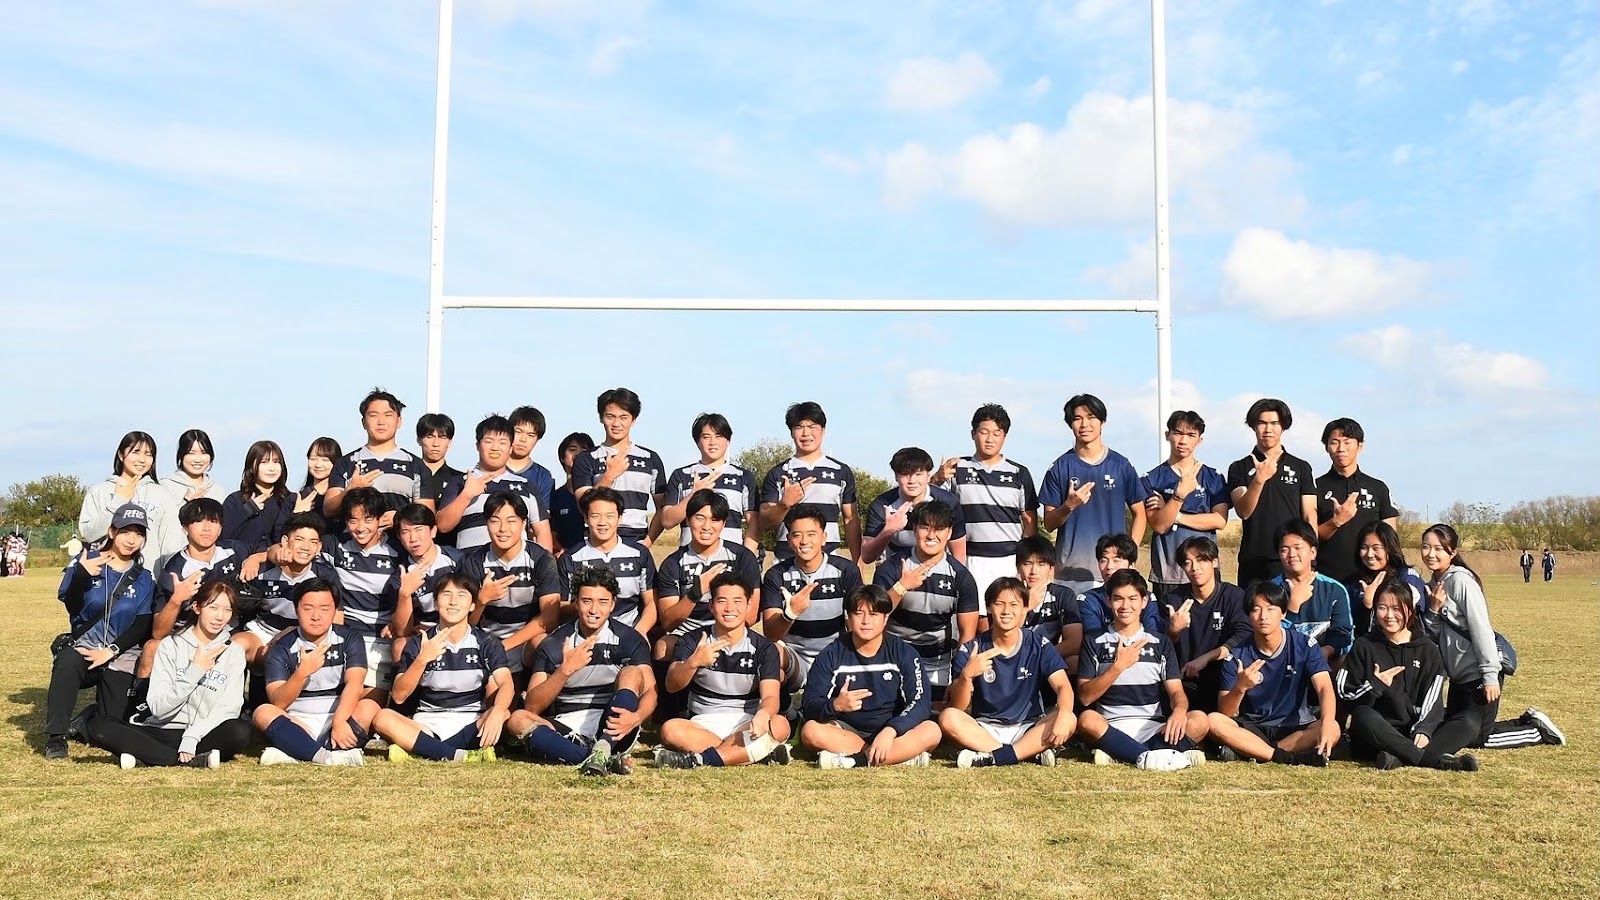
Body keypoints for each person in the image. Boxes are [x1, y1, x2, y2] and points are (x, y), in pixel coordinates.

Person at [1418, 524, 1564, 754]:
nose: (1431, 554)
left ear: (1452, 552)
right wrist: (1433, 611)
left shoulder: (1461, 582)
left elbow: (1481, 629)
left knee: (1477, 737)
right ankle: (1528, 720)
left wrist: (1489, 676)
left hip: (1478, 673)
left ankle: (1537, 731)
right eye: (1426, 547)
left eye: (1439, 548)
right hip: (1459, 678)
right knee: (1456, 728)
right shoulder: (1432, 586)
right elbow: (1433, 635)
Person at [82, 581, 252, 768]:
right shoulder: (171, 646)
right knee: (99, 726)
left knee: (241, 731)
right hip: (163, 730)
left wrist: (192, 735)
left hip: (204, 732)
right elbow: (158, 708)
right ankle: (182, 759)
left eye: (227, 610)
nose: (220, 617)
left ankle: (150, 756)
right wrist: (195, 671)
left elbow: (229, 708)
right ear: (197, 608)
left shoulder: (234, 652)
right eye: (213, 607)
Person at [512, 565, 656, 776]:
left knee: (632, 672)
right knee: (517, 720)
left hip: (613, 726)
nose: (594, 610)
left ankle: (604, 747)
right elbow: (532, 706)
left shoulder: (629, 639)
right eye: (587, 601)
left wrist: (637, 717)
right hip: (566, 727)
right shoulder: (555, 643)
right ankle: (595, 757)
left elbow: (651, 691)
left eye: (602, 602)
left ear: (613, 604)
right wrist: (565, 670)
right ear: (576, 602)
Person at [44, 504, 157, 759]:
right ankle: (56, 736)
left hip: (120, 654)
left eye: (139, 534)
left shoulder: (144, 577)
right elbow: (72, 605)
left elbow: (142, 623)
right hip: (85, 647)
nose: (132, 539)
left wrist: (111, 651)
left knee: (111, 726)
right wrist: (81, 576)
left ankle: (86, 721)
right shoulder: (87, 561)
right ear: (112, 532)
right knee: (67, 664)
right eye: (126, 531)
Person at [654, 572, 790, 768]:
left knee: (780, 725)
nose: (729, 608)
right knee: (670, 730)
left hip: (747, 723)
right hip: (702, 723)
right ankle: (752, 753)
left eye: (737, 601)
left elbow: (770, 697)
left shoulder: (764, 647)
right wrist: (693, 663)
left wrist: (763, 714)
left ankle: (701, 759)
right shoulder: (692, 640)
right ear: (711, 605)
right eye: (722, 601)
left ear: (749, 605)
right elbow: (671, 685)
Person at [1076, 569, 1207, 769]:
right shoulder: (1093, 641)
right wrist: (1117, 668)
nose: (1125, 606)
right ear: (1108, 601)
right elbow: (1085, 697)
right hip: (1110, 727)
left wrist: (1180, 710)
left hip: (1154, 727)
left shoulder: (1160, 642)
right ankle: (1163, 755)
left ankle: (1123, 753)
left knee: (1199, 720)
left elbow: (1176, 691)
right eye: (1118, 599)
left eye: (1132, 599)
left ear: (1144, 601)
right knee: (1087, 720)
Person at [376, 573, 513, 763]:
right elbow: (399, 696)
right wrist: (422, 659)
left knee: (504, 712)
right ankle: (460, 755)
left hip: (472, 722)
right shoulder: (419, 643)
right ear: (435, 603)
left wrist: (497, 711)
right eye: (446, 594)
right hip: (427, 724)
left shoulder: (486, 642)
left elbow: (506, 683)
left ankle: (426, 750)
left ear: (473, 605)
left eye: (462, 595)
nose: (453, 602)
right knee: (382, 717)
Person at [940, 578, 1076, 767]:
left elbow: (1063, 686)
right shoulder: (972, 649)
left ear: (1024, 609)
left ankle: (993, 756)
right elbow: (958, 706)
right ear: (989, 608)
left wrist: (1064, 714)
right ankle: (1025, 752)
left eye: (1014, 605)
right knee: (948, 718)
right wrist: (966, 676)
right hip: (985, 729)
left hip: (1029, 727)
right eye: (999, 604)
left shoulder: (1039, 644)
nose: (1006, 611)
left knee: (1069, 718)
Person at [800, 585, 941, 768]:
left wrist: (891, 730)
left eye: (874, 614)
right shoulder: (831, 654)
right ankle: (897, 756)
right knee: (810, 732)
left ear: (885, 618)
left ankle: (855, 761)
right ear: (848, 617)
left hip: (893, 732)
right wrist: (835, 705)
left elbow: (920, 702)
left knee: (932, 730)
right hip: (847, 732)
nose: (866, 621)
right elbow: (810, 703)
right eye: (859, 614)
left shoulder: (904, 652)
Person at [1206, 582, 1339, 767]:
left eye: (1271, 609)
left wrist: (1327, 722)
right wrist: (1240, 687)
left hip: (1294, 726)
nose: (1263, 616)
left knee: (1333, 727)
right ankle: (1283, 756)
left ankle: (1254, 751)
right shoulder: (1236, 654)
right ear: (1248, 615)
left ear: (1283, 613)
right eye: (1256, 610)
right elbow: (1225, 712)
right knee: (1213, 721)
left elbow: (1324, 688)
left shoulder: (1304, 645)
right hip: (1254, 728)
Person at [1335, 578, 1457, 770]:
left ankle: (1397, 758)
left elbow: (1433, 699)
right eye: (1382, 608)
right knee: (1362, 715)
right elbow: (1345, 693)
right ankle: (1427, 760)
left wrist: (1424, 729)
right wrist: (1374, 685)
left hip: (1409, 733)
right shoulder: (1364, 645)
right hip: (1372, 735)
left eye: (1397, 608)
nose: (1389, 615)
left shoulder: (1428, 650)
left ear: (1410, 610)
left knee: (1465, 722)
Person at [251, 579, 373, 766]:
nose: (316, 616)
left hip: (339, 715)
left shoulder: (350, 637)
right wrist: (302, 673)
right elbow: (278, 702)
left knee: (369, 707)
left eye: (324, 609)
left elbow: (355, 684)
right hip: (298, 722)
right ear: (296, 610)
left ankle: (296, 751)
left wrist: (339, 720)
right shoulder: (282, 647)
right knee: (262, 713)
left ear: (335, 610)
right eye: (308, 609)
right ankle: (326, 756)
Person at [1037, 394, 1146, 594]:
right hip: (1070, 574)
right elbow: (1049, 523)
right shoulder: (1059, 467)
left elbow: (1140, 513)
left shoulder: (1121, 465)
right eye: (1077, 418)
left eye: (1091, 417)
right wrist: (1068, 506)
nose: (1084, 424)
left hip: (1113, 573)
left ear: (1102, 421)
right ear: (1070, 424)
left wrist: (1129, 555)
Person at [873, 501, 980, 698]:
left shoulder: (961, 576)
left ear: (949, 533)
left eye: (939, 529)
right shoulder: (892, 567)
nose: (931, 535)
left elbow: (967, 634)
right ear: (914, 529)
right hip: (893, 658)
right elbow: (874, 615)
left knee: (935, 714)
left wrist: (959, 678)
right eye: (925, 527)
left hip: (936, 663)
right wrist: (902, 586)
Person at [938, 404, 1038, 601]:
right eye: (984, 432)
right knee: (971, 616)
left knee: (1005, 614)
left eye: (996, 433)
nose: (990, 439)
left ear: (1004, 437)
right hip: (968, 560)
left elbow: (1029, 522)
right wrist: (936, 478)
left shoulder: (1019, 473)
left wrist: (1024, 562)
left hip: (1008, 562)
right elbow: (933, 507)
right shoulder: (956, 468)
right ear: (973, 434)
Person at [458, 493, 562, 682]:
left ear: (524, 523)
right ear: (486, 524)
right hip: (487, 641)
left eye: (511, 521)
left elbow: (550, 618)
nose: (502, 529)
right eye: (495, 521)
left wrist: (504, 646)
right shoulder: (475, 562)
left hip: (526, 640)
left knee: (544, 642)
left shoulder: (541, 559)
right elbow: (464, 623)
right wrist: (481, 601)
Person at [760, 504, 865, 692]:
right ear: (788, 540)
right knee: (770, 652)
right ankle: (785, 707)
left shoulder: (846, 570)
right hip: (795, 656)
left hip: (835, 653)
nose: (804, 541)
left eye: (811, 534)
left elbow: (856, 623)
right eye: (797, 535)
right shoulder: (776, 575)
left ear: (824, 538)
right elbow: (771, 634)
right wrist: (790, 614)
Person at [655, 490, 762, 664]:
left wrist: (721, 635)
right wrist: (695, 593)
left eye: (715, 520)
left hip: (732, 631)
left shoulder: (743, 558)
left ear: (723, 523)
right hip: (688, 635)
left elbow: (751, 615)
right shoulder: (673, 563)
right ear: (688, 520)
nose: (706, 526)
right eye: (700, 518)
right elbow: (668, 622)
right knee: (663, 647)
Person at [324, 486, 403, 705]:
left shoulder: (398, 551)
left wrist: (396, 619)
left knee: (365, 712)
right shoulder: (335, 545)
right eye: (353, 521)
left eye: (368, 520)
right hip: (344, 637)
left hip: (380, 640)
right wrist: (263, 555)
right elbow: (300, 547)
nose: (360, 528)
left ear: (380, 519)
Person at [1141, 411, 1229, 604]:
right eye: (1178, 433)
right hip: (1168, 574)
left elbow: (1219, 520)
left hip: (1206, 573)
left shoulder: (1213, 477)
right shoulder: (1151, 479)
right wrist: (1179, 495)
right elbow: (1159, 525)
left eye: (1191, 435)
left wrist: (1174, 513)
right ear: (1168, 435)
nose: (1183, 441)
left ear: (1199, 440)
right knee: (1169, 622)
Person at [1226, 399, 1317, 588]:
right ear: (1253, 426)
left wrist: (1311, 556)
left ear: (1283, 426)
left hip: (1292, 558)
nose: (1268, 429)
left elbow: (1309, 515)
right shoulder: (1239, 467)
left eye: (1275, 423)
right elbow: (1243, 511)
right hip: (1253, 560)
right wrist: (1259, 480)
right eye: (1262, 423)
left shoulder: (1301, 467)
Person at [1158, 536, 1251, 715]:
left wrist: (1206, 658)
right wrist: (1174, 631)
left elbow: (1243, 635)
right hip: (1183, 682)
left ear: (1214, 562)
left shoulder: (1234, 596)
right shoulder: (1172, 600)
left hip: (1223, 679)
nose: (1195, 568)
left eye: (1201, 560)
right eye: (1188, 563)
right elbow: (1160, 647)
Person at [435, 414, 552, 554]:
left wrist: (545, 564)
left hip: (517, 565)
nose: (495, 447)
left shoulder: (526, 485)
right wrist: (466, 495)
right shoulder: (460, 482)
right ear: (478, 446)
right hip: (470, 564)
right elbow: (443, 526)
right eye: (489, 441)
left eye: (502, 442)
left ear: (510, 448)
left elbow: (542, 530)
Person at [760, 401, 860, 563]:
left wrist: (858, 562)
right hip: (786, 561)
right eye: (799, 427)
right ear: (791, 432)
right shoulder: (778, 473)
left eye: (812, 426)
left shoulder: (841, 471)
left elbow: (850, 519)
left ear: (823, 430)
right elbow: (764, 523)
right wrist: (784, 504)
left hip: (830, 561)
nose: (806, 433)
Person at [572, 388, 668, 545]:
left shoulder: (651, 459)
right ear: (601, 418)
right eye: (610, 416)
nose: (616, 423)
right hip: (596, 540)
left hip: (636, 539)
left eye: (624, 417)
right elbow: (583, 505)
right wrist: (609, 476)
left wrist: (647, 543)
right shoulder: (586, 458)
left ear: (633, 420)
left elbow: (662, 508)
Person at [324, 388, 430, 526]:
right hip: (355, 539)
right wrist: (350, 490)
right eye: (373, 415)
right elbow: (328, 509)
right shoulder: (346, 463)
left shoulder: (415, 465)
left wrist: (400, 517)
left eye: (388, 415)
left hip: (399, 539)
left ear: (399, 421)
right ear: (363, 422)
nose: (381, 422)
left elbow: (427, 515)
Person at [658, 412, 760, 552]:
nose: (713, 442)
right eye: (706, 437)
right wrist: (693, 495)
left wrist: (747, 558)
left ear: (728, 440)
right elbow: (667, 521)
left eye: (719, 436)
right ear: (697, 441)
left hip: (731, 559)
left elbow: (754, 524)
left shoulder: (743, 477)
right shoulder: (681, 475)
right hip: (689, 557)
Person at [79, 431, 183, 568]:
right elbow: (89, 534)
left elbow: (171, 543)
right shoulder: (99, 491)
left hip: (149, 577)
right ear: (121, 455)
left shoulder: (161, 494)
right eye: (136, 452)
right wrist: (118, 500)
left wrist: (170, 575)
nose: (142, 459)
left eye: (148, 454)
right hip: (105, 576)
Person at [560, 487, 656, 635]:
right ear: (586, 518)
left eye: (609, 516)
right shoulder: (570, 558)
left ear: (620, 518)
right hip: (584, 635)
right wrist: (586, 602)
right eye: (595, 516)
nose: (602, 522)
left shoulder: (640, 554)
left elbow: (651, 602)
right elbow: (561, 610)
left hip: (630, 633)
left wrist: (638, 635)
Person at [1314, 418, 1398, 586]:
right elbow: (1307, 536)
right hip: (1326, 579)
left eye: (1347, 442)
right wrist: (1335, 522)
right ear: (1326, 447)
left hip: (1369, 579)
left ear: (1360, 446)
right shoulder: (1315, 487)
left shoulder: (1377, 488)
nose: (1341, 448)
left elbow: (1390, 537)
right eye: (1334, 442)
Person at [244, 512, 337, 658]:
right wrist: (254, 558)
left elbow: (336, 618)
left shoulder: (325, 576)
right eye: (299, 539)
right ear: (285, 541)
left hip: (303, 636)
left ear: (319, 547)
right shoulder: (263, 570)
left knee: (280, 656)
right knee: (237, 645)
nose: (306, 547)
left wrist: (292, 633)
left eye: (313, 542)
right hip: (262, 632)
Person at [862, 447, 968, 565]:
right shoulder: (882, 505)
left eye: (918, 474)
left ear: (928, 475)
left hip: (935, 569)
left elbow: (959, 554)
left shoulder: (948, 502)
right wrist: (889, 530)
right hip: (895, 569)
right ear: (896, 476)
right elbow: (866, 557)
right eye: (905, 474)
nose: (912, 481)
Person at [1271, 520, 1354, 664]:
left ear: (1313, 552)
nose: (1292, 554)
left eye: (1298, 548)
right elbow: (1267, 637)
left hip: (1325, 663)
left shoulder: (1335, 589)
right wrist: (1293, 607)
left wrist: (1327, 650)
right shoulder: (1270, 590)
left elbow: (1344, 634)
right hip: (1283, 664)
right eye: (1284, 549)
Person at [389, 503, 468, 643]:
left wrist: (438, 629)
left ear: (433, 531)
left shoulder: (456, 559)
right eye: (405, 532)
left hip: (457, 628)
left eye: (418, 529)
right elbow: (402, 631)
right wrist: (405, 593)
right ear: (399, 537)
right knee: (399, 645)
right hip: (422, 635)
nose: (413, 538)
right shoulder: (401, 576)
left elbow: (470, 603)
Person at [1345, 521, 1427, 638]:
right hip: (1367, 646)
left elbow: (1412, 619)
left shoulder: (1407, 577)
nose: (1369, 554)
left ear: (1389, 548)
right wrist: (1367, 604)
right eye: (1364, 548)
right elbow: (1351, 628)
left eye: (1376, 548)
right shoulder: (1354, 583)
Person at [1013, 535, 1081, 670]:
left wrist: (1039, 658)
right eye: (1027, 563)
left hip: (1048, 658)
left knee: (1074, 661)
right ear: (1018, 567)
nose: (1033, 571)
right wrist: (1026, 607)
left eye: (1041, 564)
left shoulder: (1063, 595)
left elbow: (1074, 642)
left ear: (1051, 569)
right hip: (1014, 658)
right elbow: (1000, 637)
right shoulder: (1008, 594)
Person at [1077, 533, 1161, 638]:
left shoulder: (1146, 598)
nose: (1109, 566)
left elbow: (1152, 637)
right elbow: (1094, 639)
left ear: (1131, 565)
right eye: (1103, 560)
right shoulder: (1089, 600)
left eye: (1116, 560)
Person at [222, 440, 294, 554]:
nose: (271, 468)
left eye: (276, 462)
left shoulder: (290, 500)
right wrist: (247, 510)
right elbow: (222, 534)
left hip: (279, 562)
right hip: (241, 562)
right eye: (264, 462)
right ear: (251, 466)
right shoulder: (235, 500)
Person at [549, 432, 596, 554]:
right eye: (572, 449)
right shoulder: (555, 496)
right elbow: (550, 532)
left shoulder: (599, 494)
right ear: (562, 457)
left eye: (584, 450)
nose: (578, 454)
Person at [506, 405, 556, 513]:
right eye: (518, 432)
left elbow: (542, 515)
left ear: (537, 439)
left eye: (530, 435)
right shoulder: (493, 469)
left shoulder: (543, 476)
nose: (523, 439)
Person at [159, 428, 228, 505]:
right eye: (191, 453)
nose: (198, 460)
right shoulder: (165, 486)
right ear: (181, 455)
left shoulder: (217, 491)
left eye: (204, 453)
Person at [416, 412, 463, 509]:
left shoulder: (459, 480)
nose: (436, 444)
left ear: (450, 442)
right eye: (430, 436)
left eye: (442, 437)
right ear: (419, 440)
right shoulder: (409, 474)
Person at [297, 437, 342, 526]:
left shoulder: (342, 496)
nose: (318, 465)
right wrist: (297, 514)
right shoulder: (298, 498)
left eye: (325, 460)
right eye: (313, 459)